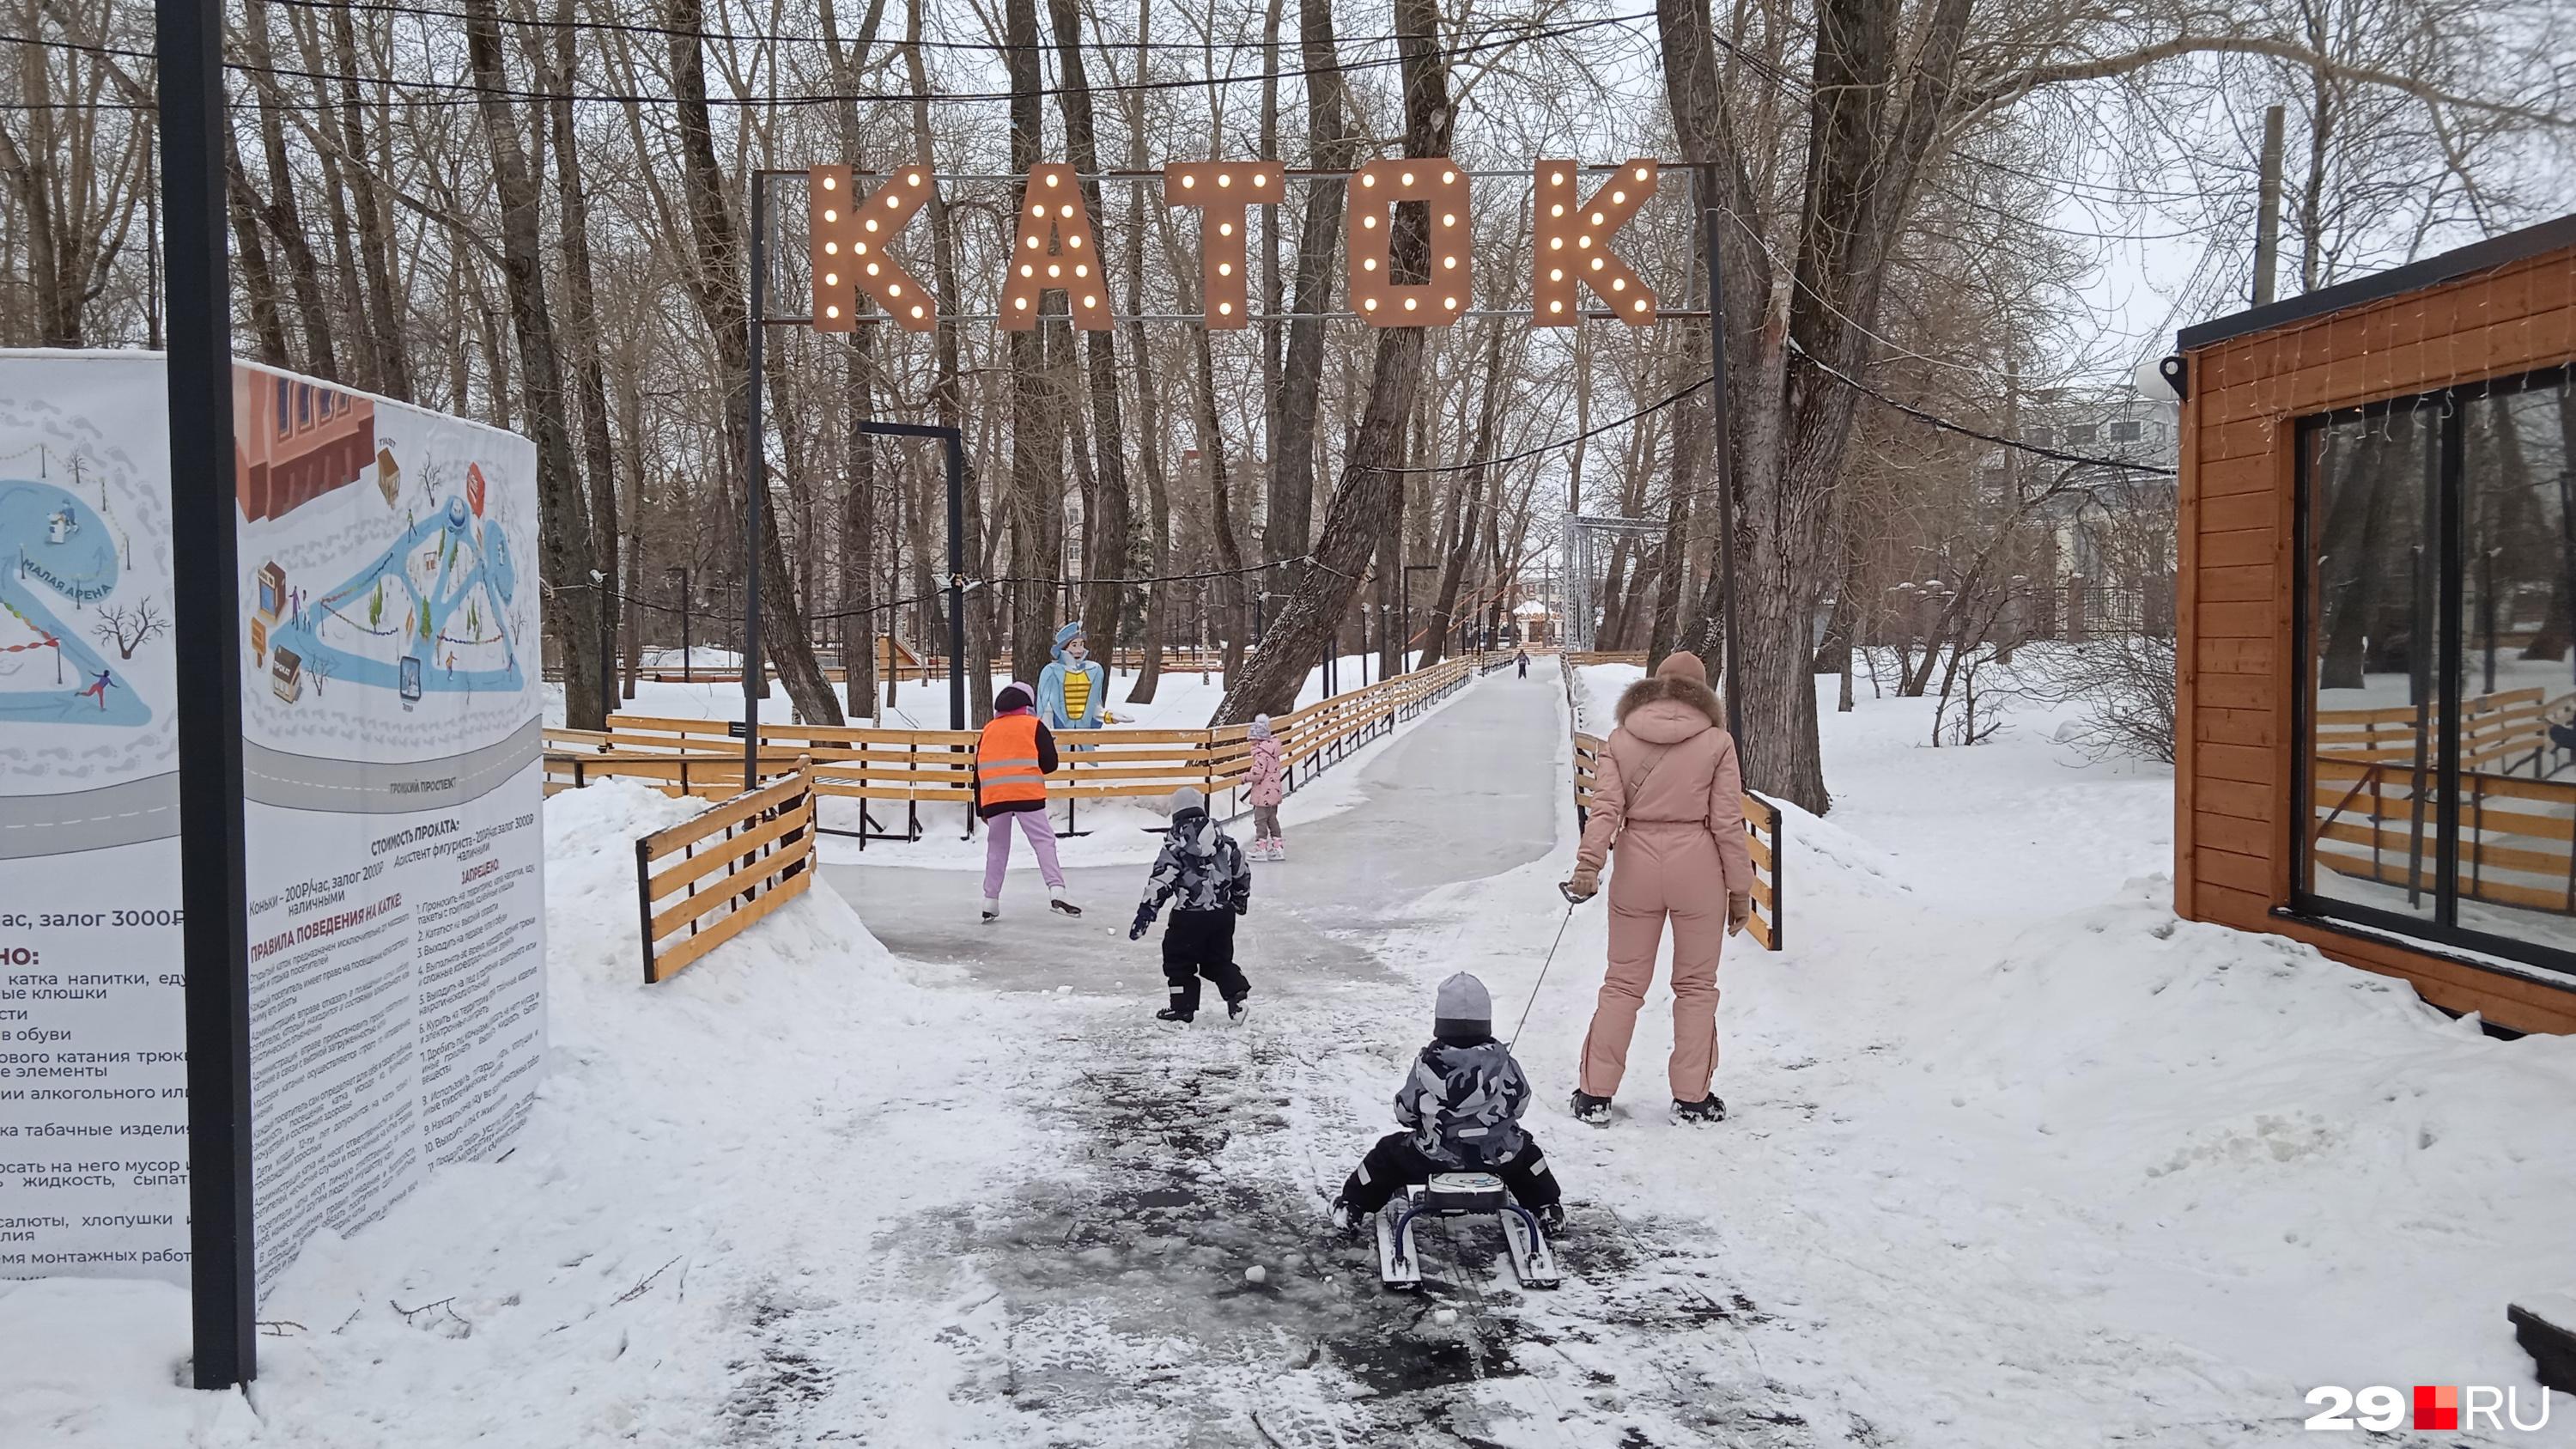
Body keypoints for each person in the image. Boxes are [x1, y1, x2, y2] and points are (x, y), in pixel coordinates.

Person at [1563, 652, 1753, 1127]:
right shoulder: (1717, 741)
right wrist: (1739, 889)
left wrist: (1589, 864)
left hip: (1636, 864)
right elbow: (1728, 821)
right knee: (1695, 986)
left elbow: (1604, 806)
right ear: (1702, 692)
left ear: (1657, 685)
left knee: (1622, 982)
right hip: (1699, 865)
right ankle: (1693, 1099)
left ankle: (1594, 1094)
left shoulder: (1621, 738)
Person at [1329, 972, 1564, 1235]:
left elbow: (1405, 1112)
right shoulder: (1504, 1062)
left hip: (1433, 1157)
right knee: (1528, 1154)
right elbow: (1520, 1102)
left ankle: (1353, 1204)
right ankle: (1547, 1206)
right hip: (1499, 1158)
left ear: (1440, 1023)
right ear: (1486, 1021)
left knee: (1387, 1154)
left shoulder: (1428, 1065)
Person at [1129, 786, 1252, 1024]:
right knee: (1218, 959)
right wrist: (1240, 897)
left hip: (1188, 916)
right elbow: (1241, 871)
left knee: (1178, 960)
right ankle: (1236, 996)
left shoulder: (1175, 847)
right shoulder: (1225, 843)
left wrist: (1146, 912)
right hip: (1222, 915)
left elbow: (1162, 880)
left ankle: (1183, 1008)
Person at [975, 681, 1080, 922]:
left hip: (995, 797)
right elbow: (1050, 764)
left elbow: (977, 770)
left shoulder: (989, 729)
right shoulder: (1034, 725)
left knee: (997, 847)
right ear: (1028, 703)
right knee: (1043, 841)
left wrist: (980, 805)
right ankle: (1057, 890)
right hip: (1027, 794)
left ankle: (990, 900)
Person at [1037, 621, 1111, 739]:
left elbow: (1093, 706)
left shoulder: (1094, 670)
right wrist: (1049, 736)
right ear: (1064, 647)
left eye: (1081, 644)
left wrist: (1108, 716)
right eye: (1074, 645)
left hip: (1084, 736)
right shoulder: (1051, 671)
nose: (1079, 650)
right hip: (1059, 735)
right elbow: (1046, 707)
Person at [1244, 714, 1286, 861]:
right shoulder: (1273, 752)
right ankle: (1277, 846)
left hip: (1263, 794)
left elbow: (1257, 773)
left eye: (1252, 739)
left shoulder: (1261, 754)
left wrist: (1244, 777)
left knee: (1260, 820)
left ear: (1258, 739)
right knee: (1272, 819)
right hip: (1274, 792)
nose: (1250, 742)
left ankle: (1261, 848)